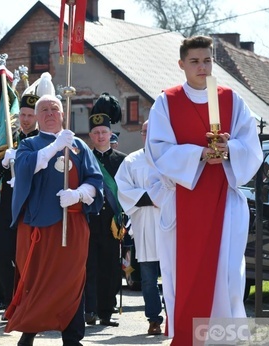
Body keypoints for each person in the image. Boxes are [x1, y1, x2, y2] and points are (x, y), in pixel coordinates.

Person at [145, 35, 263, 345]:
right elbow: (156, 149)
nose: (202, 67)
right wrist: (198, 154)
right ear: (181, 64)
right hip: (185, 199)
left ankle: (223, 340)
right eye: (195, 61)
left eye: (207, 60)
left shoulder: (232, 99)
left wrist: (228, 149)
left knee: (229, 279)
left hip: (224, 199)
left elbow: (250, 146)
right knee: (186, 274)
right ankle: (188, 337)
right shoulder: (166, 102)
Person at [4, 94, 104, 346]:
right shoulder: (29, 145)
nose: (50, 113)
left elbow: (95, 180)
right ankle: (29, 332)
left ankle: (72, 336)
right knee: (37, 280)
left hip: (72, 225)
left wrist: (79, 194)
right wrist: (55, 147)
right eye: (44, 110)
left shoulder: (79, 146)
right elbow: (26, 169)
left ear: (63, 114)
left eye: (55, 109)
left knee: (72, 279)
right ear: (37, 117)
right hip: (39, 225)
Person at [0, 93, 40, 314]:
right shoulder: (10, 139)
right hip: (8, 208)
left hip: (32, 208)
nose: (25, 119)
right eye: (23, 115)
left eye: (30, 115)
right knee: (4, 257)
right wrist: (5, 162)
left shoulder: (41, 142)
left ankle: (31, 301)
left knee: (30, 258)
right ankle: (11, 301)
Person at [115, 120, 164, 335]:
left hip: (168, 224)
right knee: (148, 278)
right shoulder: (131, 160)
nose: (148, 135)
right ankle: (154, 319)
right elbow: (123, 189)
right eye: (145, 131)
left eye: (152, 131)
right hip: (144, 223)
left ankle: (175, 317)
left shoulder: (169, 158)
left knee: (173, 277)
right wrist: (151, 198)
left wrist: (160, 198)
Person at [84, 92, 126, 327]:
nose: (100, 136)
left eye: (104, 132)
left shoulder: (122, 160)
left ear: (111, 134)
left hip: (112, 222)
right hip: (90, 221)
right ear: (91, 136)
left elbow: (126, 191)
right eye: (96, 133)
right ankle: (90, 310)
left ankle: (106, 312)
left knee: (110, 268)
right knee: (90, 267)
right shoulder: (84, 158)